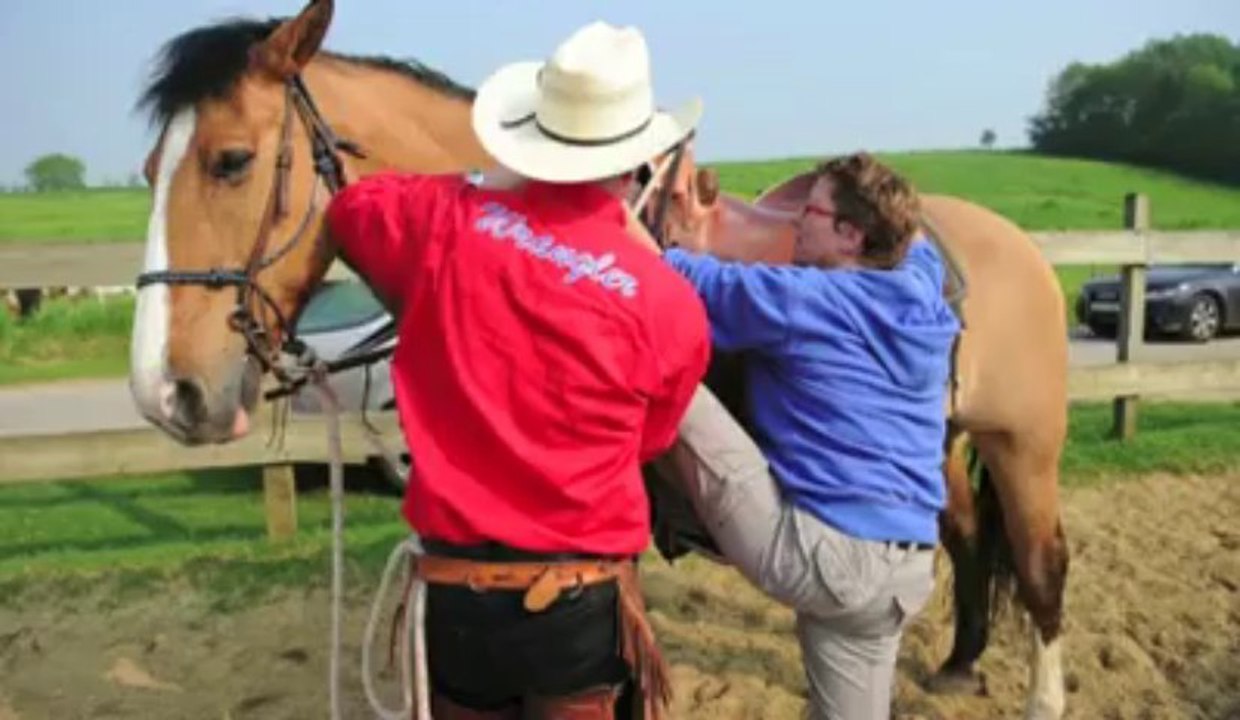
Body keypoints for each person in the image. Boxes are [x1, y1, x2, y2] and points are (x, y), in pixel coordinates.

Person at [323, 21, 710, 720]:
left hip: (457, 595)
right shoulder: (669, 302)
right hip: (579, 600)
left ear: (530, 140)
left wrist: (489, 183)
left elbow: (352, 207)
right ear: (633, 165)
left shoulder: (442, 220)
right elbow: (649, 441)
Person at [654, 152, 961, 719]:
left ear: (851, 234)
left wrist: (632, 227)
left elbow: (679, 277)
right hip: (903, 574)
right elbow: (919, 243)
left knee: (667, 372)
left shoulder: (807, 299)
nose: (795, 220)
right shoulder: (920, 290)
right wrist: (880, 199)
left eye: (810, 211)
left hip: (822, 558)